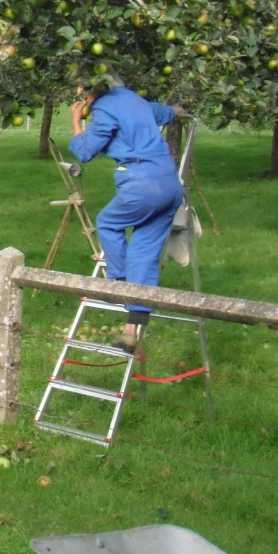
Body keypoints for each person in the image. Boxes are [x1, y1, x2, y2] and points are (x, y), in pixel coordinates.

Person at [68, 72, 183, 353]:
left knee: (107, 222)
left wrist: (76, 121)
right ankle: (133, 326)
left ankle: (117, 283)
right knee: (143, 250)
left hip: (141, 184)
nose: (80, 98)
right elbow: (163, 112)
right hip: (169, 183)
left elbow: (85, 151)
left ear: (91, 92)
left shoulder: (105, 109)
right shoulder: (133, 99)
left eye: (81, 93)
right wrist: (178, 111)